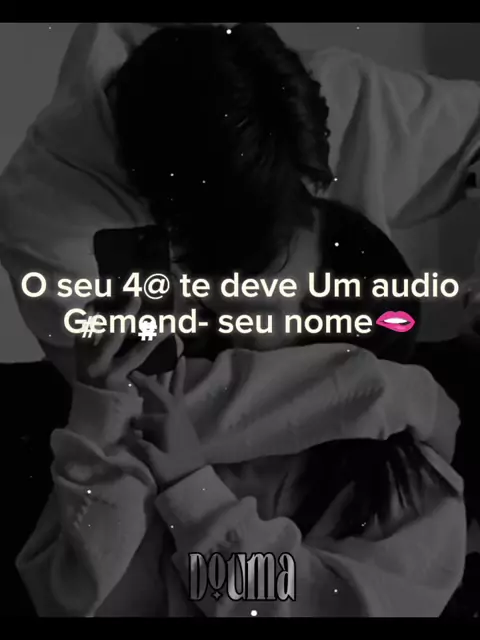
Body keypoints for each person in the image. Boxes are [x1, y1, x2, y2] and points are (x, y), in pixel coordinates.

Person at [15, 23, 467, 616]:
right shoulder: (156, 424)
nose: (210, 291)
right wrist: (107, 421)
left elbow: (309, 607)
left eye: (260, 269)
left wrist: (194, 497)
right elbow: (79, 600)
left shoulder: (409, 490)